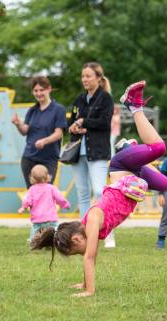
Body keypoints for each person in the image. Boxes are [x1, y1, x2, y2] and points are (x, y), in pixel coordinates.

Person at [31, 81, 167, 297]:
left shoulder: (93, 219)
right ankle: (130, 147)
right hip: (131, 177)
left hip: (121, 167)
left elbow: (89, 256)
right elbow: (91, 256)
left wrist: (90, 291)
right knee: (164, 184)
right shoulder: (89, 229)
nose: (82, 254)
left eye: (77, 251)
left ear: (77, 239)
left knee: (159, 147)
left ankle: (133, 106)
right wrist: (84, 283)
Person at [67, 62, 116, 248]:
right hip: (78, 153)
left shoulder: (106, 98)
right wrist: (72, 126)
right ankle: (85, 234)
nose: (85, 79)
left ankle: (108, 232)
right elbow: (70, 121)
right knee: (82, 194)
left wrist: (84, 121)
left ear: (98, 78)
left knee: (100, 192)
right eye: (83, 76)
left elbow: (104, 122)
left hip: (98, 152)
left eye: (88, 76)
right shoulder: (78, 99)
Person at [12, 76, 68, 189]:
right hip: (29, 158)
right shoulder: (32, 110)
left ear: (49, 89)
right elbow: (25, 131)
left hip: (49, 159)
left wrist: (44, 141)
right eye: (35, 91)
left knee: (45, 193)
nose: (38, 93)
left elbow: (59, 133)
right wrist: (18, 124)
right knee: (33, 194)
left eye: (41, 90)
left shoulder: (58, 109)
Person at [18, 164, 71, 242]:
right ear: (47, 176)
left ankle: (33, 241)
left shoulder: (32, 189)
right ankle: (57, 241)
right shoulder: (51, 188)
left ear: (32, 178)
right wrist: (65, 205)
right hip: (51, 218)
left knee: (36, 232)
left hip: (38, 218)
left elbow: (27, 200)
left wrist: (23, 207)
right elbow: (59, 198)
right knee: (54, 231)